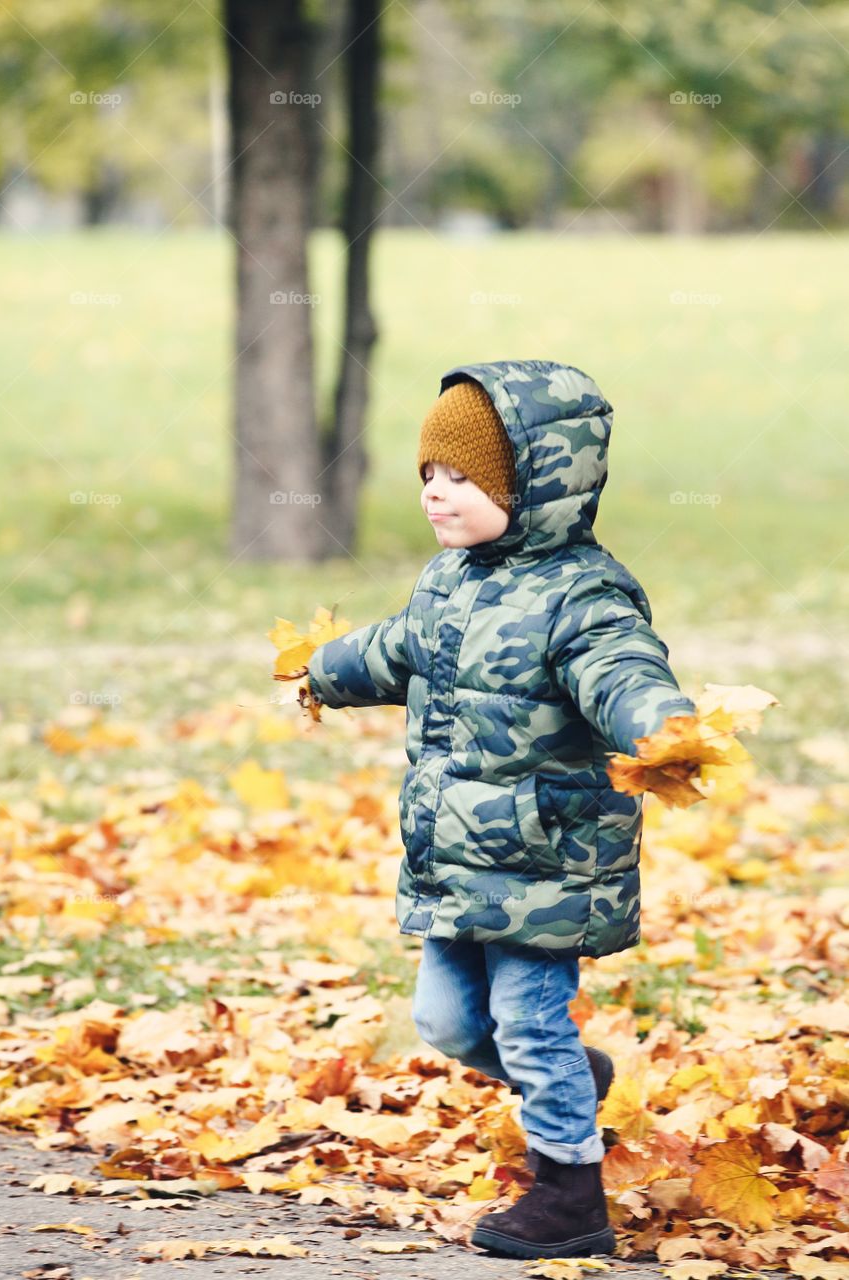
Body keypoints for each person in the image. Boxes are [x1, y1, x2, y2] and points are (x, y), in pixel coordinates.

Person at [305, 360, 699, 1259]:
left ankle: (570, 1195)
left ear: (536, 485)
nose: (438, 497)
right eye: (429, 478)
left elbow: (618, 669)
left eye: (465, 478)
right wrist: (325, 668)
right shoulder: (450, 582)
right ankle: (575, 1077)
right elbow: (396, 650)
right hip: (456, 858)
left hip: (544, 860)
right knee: (447, 1023)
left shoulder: (583, 594)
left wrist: (657, 724)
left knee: (527, 1020)